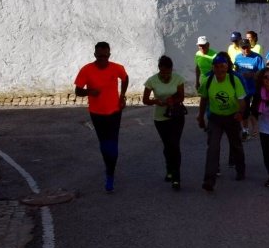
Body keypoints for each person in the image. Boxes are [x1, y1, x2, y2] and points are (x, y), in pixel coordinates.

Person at [74, 42, 129, 192]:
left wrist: (122, 96)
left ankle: (110, 175)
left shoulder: (116, 67)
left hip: (114, 111)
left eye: (105, 56)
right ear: (95, 55)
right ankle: (108, 167)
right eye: (100, 56)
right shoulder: (87, 70)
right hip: (97, 112)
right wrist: (89, 92)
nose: (103, 59)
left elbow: (125, 78)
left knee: (113, 144)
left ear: (109, 55)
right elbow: (78, 91)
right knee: (104, 144)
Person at [197, 52, 246, 191]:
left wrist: (240, 113)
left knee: (236, 145)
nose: (219, 70)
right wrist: (201, 116)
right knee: (212, 148)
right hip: (215, 118)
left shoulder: (233, 79)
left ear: (226, 67)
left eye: (222, 66)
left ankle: (240, 169)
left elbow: (242, 99)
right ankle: (209, 180)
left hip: (232, 117)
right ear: (212, 68)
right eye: (216, 67)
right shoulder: (208, 80)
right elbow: (204, 99)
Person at [142, 55, 186, 191]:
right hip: (160, 117)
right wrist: (156, 101)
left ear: (172, 70)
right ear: (159, 70)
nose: (166, 76)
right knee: (167, 146)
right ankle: (169, 169)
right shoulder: (151, 81)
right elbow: (145, 100)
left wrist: (173, 101)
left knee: (174, 145)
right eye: (163, 73)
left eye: (168, 73)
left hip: (176, 117)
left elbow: (181, 96)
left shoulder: (178, 78)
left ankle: (176, 177)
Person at [234, 38, 265, 140]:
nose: (245, 50)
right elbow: (237, 71)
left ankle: (256, 128)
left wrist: (252, 75)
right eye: (243, 48)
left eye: (247, 47)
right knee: (244, 111)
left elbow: (263, 73)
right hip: (244, 89)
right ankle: (245, 131)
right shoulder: (237, 58)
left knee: (254, 111)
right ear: (240, 48)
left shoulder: (257, 58)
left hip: (256, 89)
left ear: (250, 46)